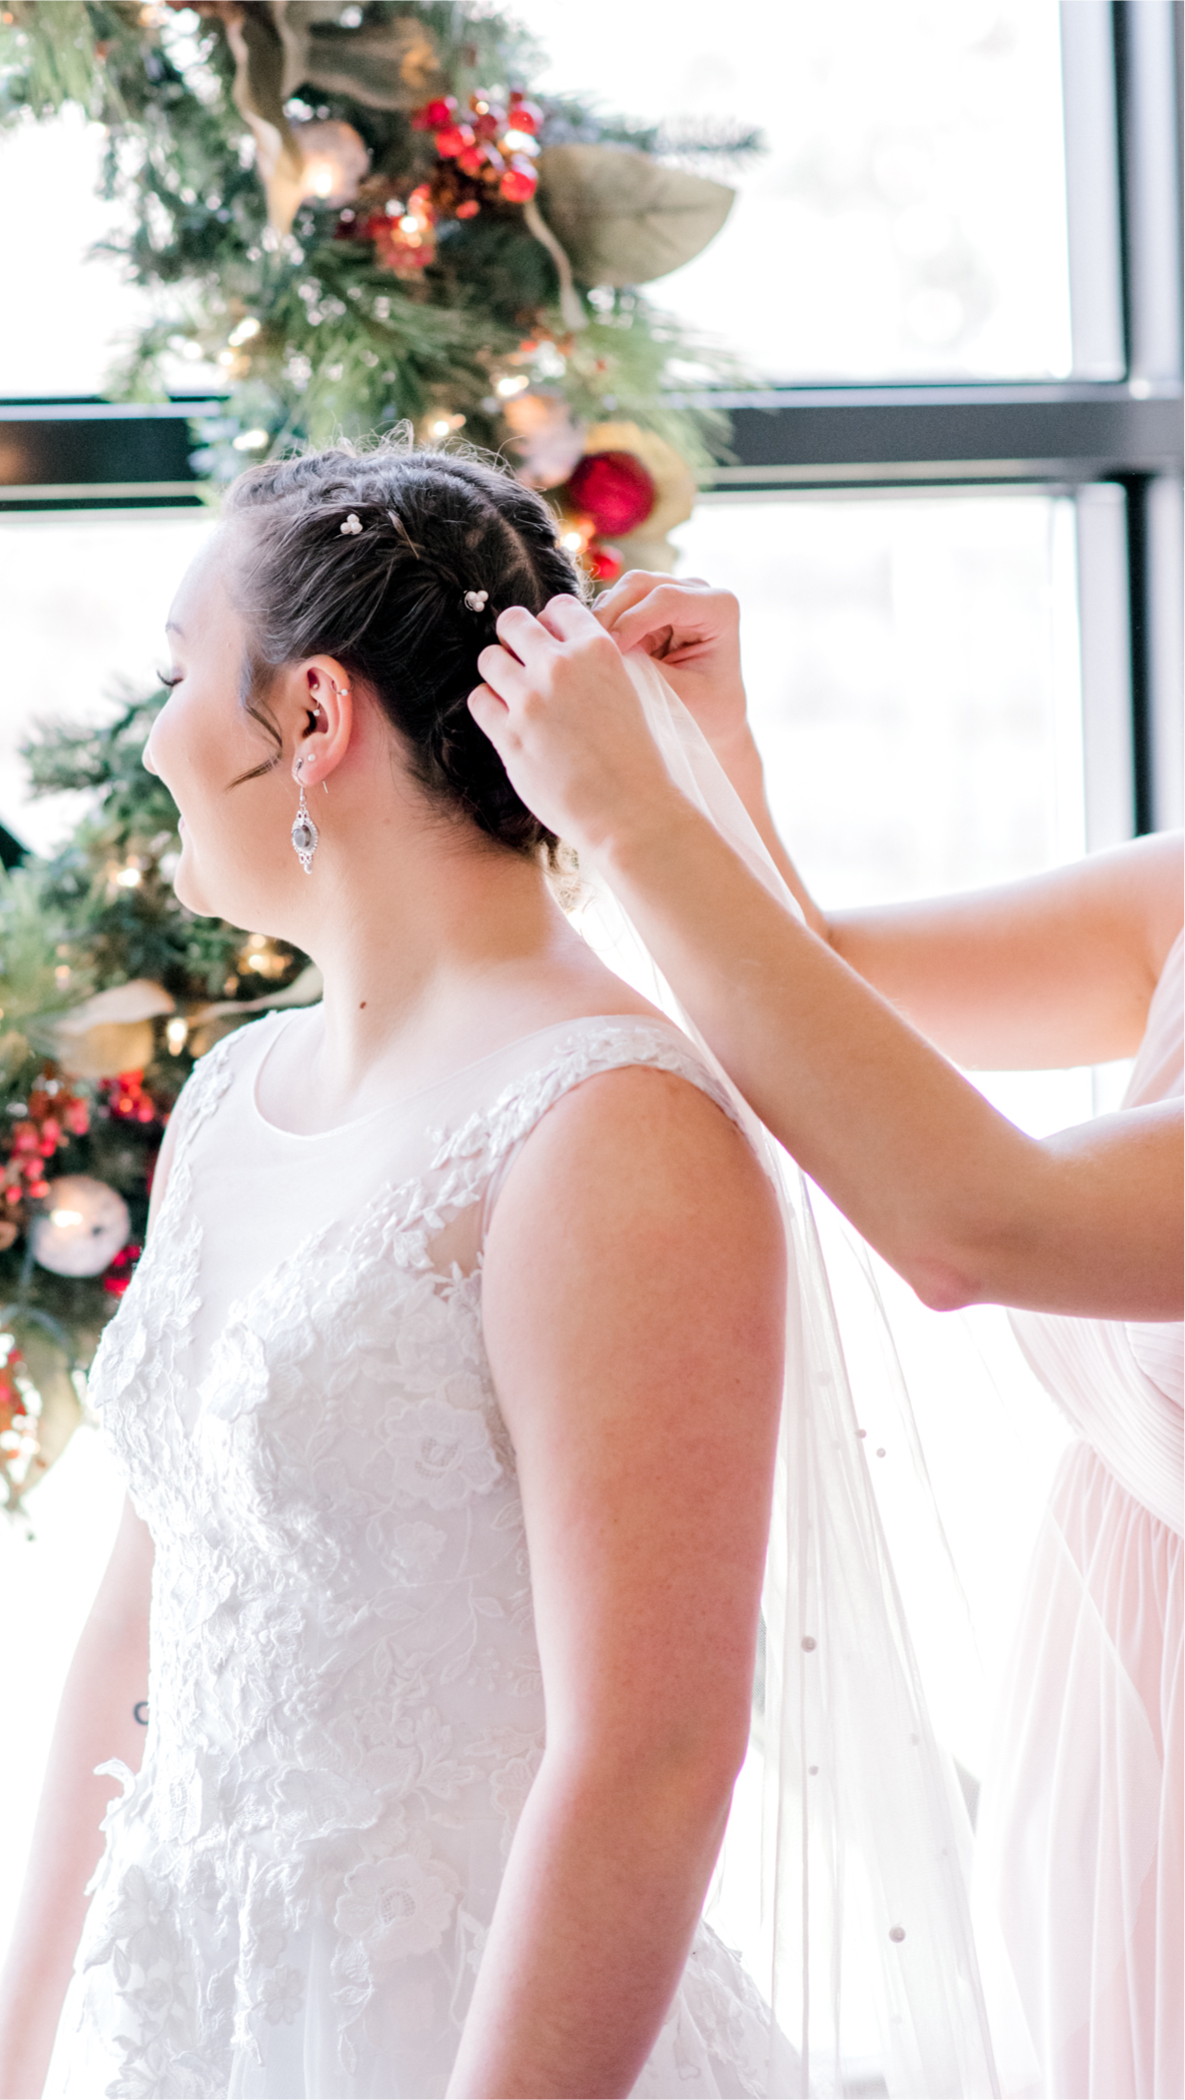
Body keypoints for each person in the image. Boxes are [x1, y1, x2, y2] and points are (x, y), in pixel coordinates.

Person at [0, 446, 798, 2100]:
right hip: (201, 2020)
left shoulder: (606, 1125)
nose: (152, 738)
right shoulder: (230, 1097)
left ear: (314, 719)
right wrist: (9, 2065)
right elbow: (139, 1636)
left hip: (481, 2033)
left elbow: (651, 1757)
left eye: (178, 674)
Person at [468, 572, 1183, 2100]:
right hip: (1127, 1777)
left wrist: (631, 822)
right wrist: (709, 775)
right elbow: (844, 1007)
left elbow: (976, 1220)